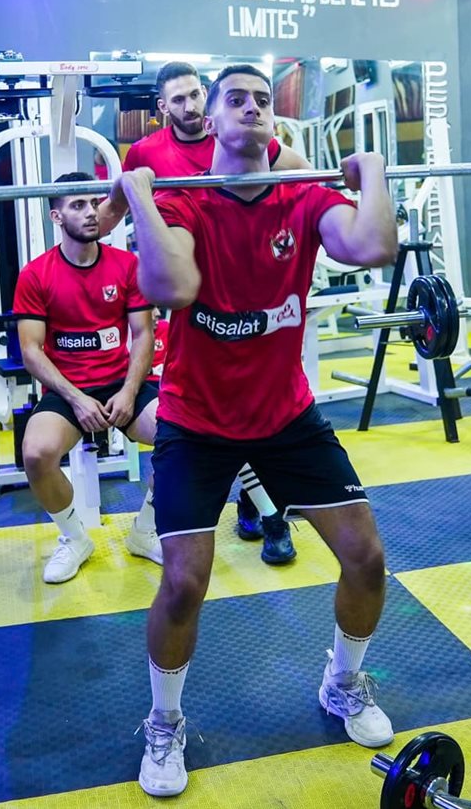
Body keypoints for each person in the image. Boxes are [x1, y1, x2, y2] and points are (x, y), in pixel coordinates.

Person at [112, 64, 398, 798]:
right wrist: (140, 196)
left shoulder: (303, 195)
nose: (252, 108)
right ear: (210, 120)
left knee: (366, 557)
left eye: (263, 100)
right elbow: (172, 287)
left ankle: (343, 682)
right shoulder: (185, 201)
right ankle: (164, 721)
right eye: (234, 99)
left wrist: (372, 170)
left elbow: (371, 246)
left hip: (285, 416)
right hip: (195, 420)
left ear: (276, 121)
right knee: (184, 583)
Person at [99, 60, 311, 565]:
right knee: (208, 402)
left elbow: (304, 175)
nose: (190, 106)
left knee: (260, 396)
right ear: (162, 108)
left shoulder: (242, 131)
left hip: (250, 277)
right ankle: (259, 509)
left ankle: (260, 507)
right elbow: (111, 215)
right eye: (179, 100)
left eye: (196, 95)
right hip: (190, 280)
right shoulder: (147, 153)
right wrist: (108, 207)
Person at [13, 171, 162, 583]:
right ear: (56, 217)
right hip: (68, 390)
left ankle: (145, 530)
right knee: (36, 454)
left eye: (94, 203)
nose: (91, 212)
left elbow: (143, 335)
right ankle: (75, 538)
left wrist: (130, 391)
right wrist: (77, 399)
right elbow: (31, 351)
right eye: (77, 205)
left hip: (121, 383)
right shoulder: (36, 274)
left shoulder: (126, 265)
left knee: (182, 437)